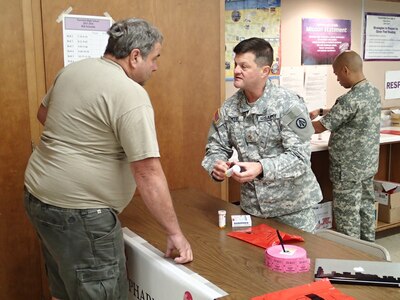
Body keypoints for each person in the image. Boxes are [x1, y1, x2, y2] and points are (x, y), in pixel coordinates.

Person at [24, 18, 193, 300]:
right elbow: (148, 173)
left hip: (39, 198)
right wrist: (175, 233)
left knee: (65, 289)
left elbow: (44, 115)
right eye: (154, 58)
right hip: (81, 214)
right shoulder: (130, 94)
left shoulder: (73, 71)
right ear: (135, 55)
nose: (156, 67)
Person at [202, 37, 322, 232]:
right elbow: (215, 147)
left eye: (244, 66)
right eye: (235, 65)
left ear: (264, 71)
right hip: (252, 209)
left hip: (292, 210)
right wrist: (216, 167)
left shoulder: (290, 104)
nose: (236, 71)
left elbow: (300, 158)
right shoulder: (229, 109)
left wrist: (261, 167)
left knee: (295, 262)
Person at [310, 50, 381, 242]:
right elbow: (348, 110)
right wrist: (322, 110)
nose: (337, 79)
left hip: (348, 169)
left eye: (337, 74)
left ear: (345, 70)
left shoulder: (350, 99)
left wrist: (295, 123)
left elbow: (319, 127)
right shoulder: (372, 92)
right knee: (366, 209)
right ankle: (370, 252)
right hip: (367, 165)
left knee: (347, 217)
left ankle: (351, 259)